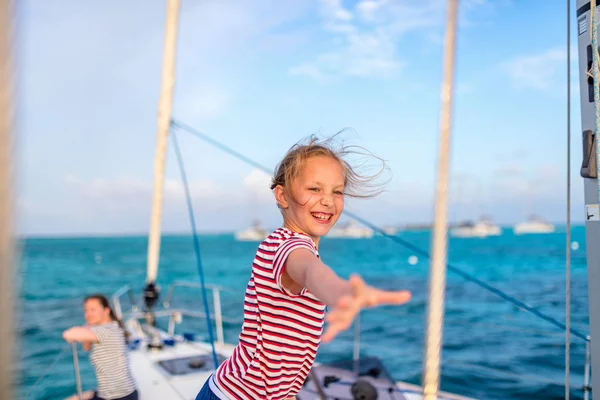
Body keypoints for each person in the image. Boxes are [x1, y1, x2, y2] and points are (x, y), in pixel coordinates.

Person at [196, 135, 412, 400]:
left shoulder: (287, 245)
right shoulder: (287, 248)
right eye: (314, 189)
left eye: (337, 191)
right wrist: (341, 293)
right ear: (283, 195)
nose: (328, 200)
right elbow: (309, 271)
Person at [62, 294, 138, 400]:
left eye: (93, 310)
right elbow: (86, 347)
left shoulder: (105, 331)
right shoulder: (111, 326)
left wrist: (86, 327)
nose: (88, 314)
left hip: (119, 396)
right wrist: (89, 326)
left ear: (106, 311)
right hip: (108, 392)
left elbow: (68, 334)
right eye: (86, 310)